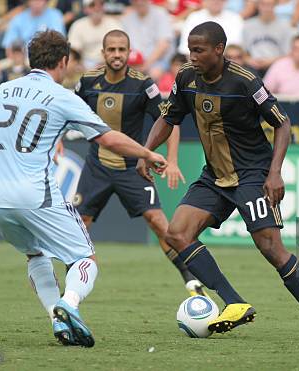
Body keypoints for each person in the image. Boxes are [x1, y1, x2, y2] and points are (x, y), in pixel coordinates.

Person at [0, 30, 167, 347]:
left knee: (35, 255)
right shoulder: (62, 96)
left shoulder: (2, 90)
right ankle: (68, 304)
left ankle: (58, 321)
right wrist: (147, 153)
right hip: (35, 196)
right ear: (65, 61)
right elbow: (107, 138)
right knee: (85, 259)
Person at [138, 21, 299, 341]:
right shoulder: (186, 78)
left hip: (252, 175)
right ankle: (234, 302)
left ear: (219, 49)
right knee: (177, 233)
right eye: (190, 49)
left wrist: (274, 173)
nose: (192, 56)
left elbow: (283, 124)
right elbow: (168, 118)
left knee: (271, 248)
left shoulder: (245, 81)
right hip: (214, 176)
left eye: (199, 50)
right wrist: (146, 152)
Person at [73, 30, 206, 296]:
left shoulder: (142, 85)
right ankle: (72, 292)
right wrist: (58, 142)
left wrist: (172, 160)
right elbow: (64, 113)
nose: (117, 55)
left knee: (159, 223)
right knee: (79, 225)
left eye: (122, 50)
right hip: (96, 166)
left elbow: (171, 120)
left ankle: (191, 280)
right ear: (103, 53)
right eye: (111, 50)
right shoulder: (87, 82)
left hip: (133, 167)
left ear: (129, 52)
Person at [121, 0, 175, 80]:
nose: (139, 2)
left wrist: (145, 65)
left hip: (159, 60)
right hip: (135, 62)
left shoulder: (160, 13)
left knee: (153, 74)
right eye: (136, 1)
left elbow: (163, 45)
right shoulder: (127, 19)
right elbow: (125, 45)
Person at [242, 0, 294, 75]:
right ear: (257, 5)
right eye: (263, 4)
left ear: (275, 5)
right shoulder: (247, 25)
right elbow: (243, 53)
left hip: (277, 67)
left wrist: (270, 62)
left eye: (270, 4)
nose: (266, 8)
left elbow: (289, 55)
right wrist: (249, 60)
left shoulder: (285, 26)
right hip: (252, 68)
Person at [68, 0, 122, 69]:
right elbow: (74, 52)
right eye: (92, 5)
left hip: (109, 65)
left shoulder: (114, 24)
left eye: (101, 4)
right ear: (85, 9)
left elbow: (119, 50)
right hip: (83, 66)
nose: (97, 8)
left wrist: (105, 63)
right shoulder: (77, 25)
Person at [177, 0, 243, 55]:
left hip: (225, 62)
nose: (216, 1)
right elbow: (185, 47)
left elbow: (234, 47)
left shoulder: (235, 18)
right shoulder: (194, 17)